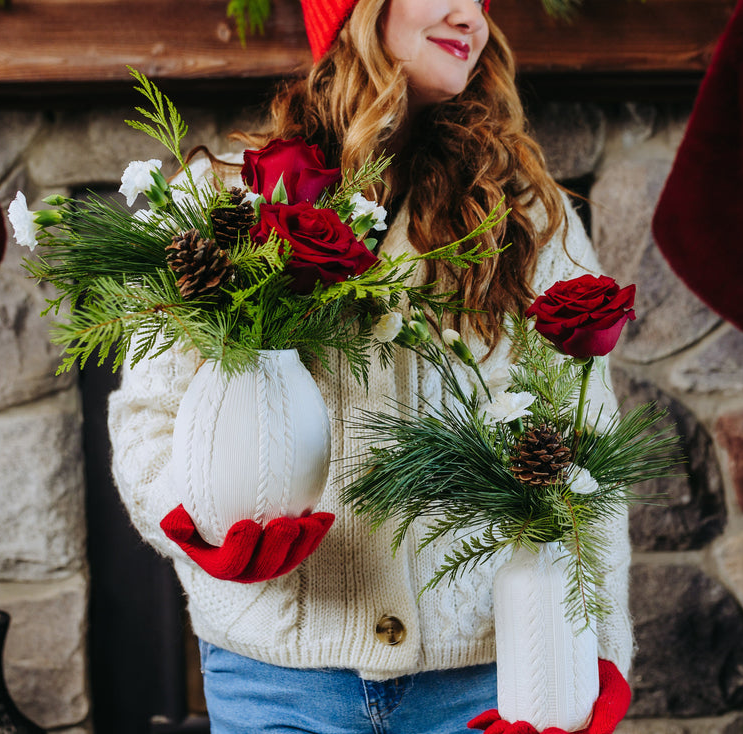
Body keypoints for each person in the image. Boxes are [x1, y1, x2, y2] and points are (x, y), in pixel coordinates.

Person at [107, 0, 634, 730]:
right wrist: (196, 525)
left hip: (483, 680)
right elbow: (148, 421)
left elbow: (587, 452)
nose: (468, 17)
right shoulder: (223, 202)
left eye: (481, 1)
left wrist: (593, 664)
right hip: (276, 681)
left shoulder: (526, 216)